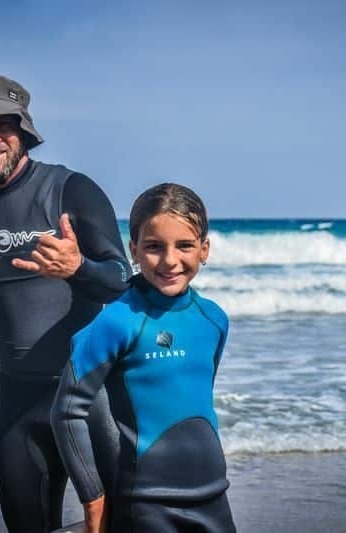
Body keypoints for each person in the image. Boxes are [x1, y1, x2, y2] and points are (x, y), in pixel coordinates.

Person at [0, 74, 129, 532]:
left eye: (3, 125)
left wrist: (78, 269)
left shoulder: (71, 189)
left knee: (121, 526)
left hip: (90, 399)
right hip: (17, 406)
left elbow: (121, 281)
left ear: (23, 131)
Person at [51, 183, 236, 533]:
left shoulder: (214, 319)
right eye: (153, 247)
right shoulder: (117, 321)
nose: (170, 260)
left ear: (205, 249)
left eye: (185, 245)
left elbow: (194, 392)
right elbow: (66, 411)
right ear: (134, 250)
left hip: (214, 495)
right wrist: (93, 498)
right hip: (146, 503)